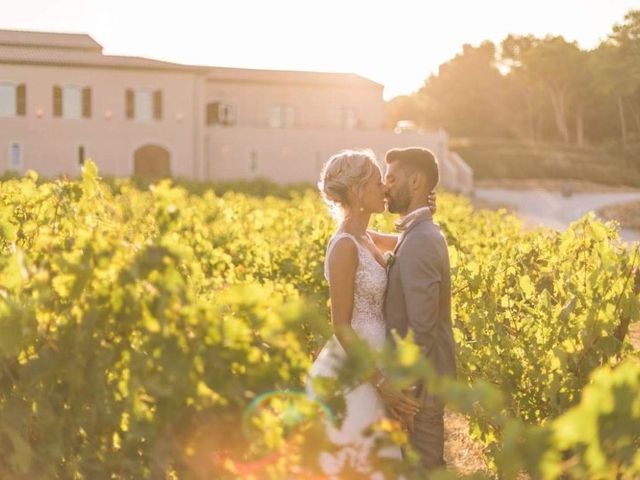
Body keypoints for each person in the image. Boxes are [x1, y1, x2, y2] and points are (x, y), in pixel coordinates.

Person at [305, 148, 435, 478]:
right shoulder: (344, 246)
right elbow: (341, 327)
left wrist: (423, 205)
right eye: (379, 183)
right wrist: (379, 382)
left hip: (382, 358)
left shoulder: (366, 236)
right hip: (359, 371)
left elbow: (411, 240)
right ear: (358, 191)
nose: (385, 189)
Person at [381, 147, 457, 472]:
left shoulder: (422, 238)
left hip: (420, 388)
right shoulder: (416, 233)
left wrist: (404, 392)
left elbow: (422, 328)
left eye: (391, 178)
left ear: (415, 181)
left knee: (425, 470)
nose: (385, 186)